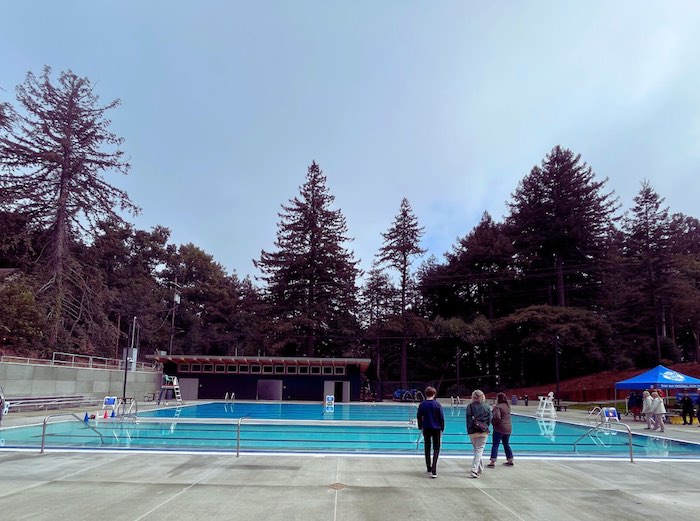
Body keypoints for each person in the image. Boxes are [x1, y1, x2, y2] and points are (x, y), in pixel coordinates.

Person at [416, 386, 445, 478]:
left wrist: (420, 426)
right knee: (436, 448)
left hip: (426, 428)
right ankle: (434, 469)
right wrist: (442, 428)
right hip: (436, 428)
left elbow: (419, 416)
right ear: (434, 394)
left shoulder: (422, 404)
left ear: (426, 394)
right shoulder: (437, 405)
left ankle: (428, 467)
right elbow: (441, 417)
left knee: (427, 447)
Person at [466, 389, 492, 479]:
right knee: (479, 450)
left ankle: (479, 469)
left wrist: (469, 431)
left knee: (477, 450)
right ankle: (475, 470)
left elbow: (468, 420)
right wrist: (484, 426)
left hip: (473, 431)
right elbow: (489, 420)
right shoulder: (487, 407)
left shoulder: (470, 406)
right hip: (484, 431)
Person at [487, 392, 513, 468]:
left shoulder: (498, 407)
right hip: (508, 429)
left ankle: (492, 461)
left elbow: (497, 417)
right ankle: (510, 459)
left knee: (495, 445)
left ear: (499, 399)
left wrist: (493, 422)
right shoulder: (507, 406)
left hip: (499, 428)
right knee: (506, 444)